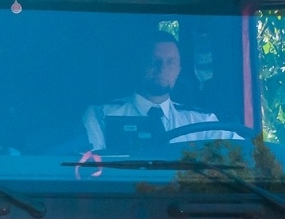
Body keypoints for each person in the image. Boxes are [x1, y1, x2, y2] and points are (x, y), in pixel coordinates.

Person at [82, 34, 221, 152]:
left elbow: (239, 155)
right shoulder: (101, 115)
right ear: (137, 66)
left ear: (179, 70)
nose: (162, 68)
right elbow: (94, 169)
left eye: (170, 62)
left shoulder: (203, 121)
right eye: (154, 61)